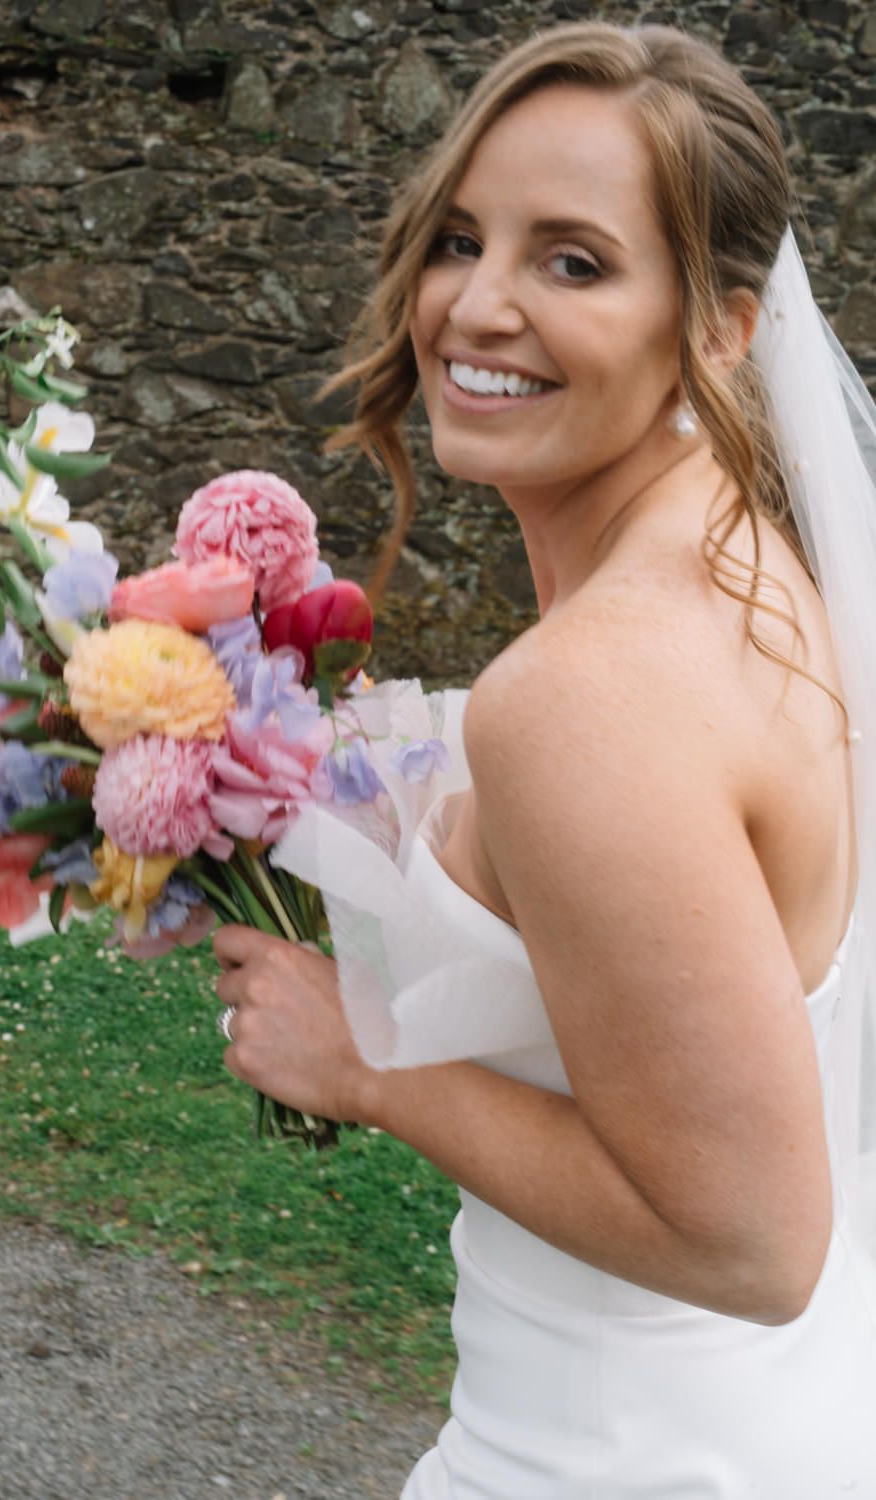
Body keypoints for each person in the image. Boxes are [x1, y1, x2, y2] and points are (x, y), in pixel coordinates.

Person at [211, 20, 876, 1497]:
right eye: (460, 239)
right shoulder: (757, 566)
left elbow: (754, 1243)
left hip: (614, 1456)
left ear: (720, 326)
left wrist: (365, 1062)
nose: (474, 307)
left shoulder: (585, 695)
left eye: (573, 262)